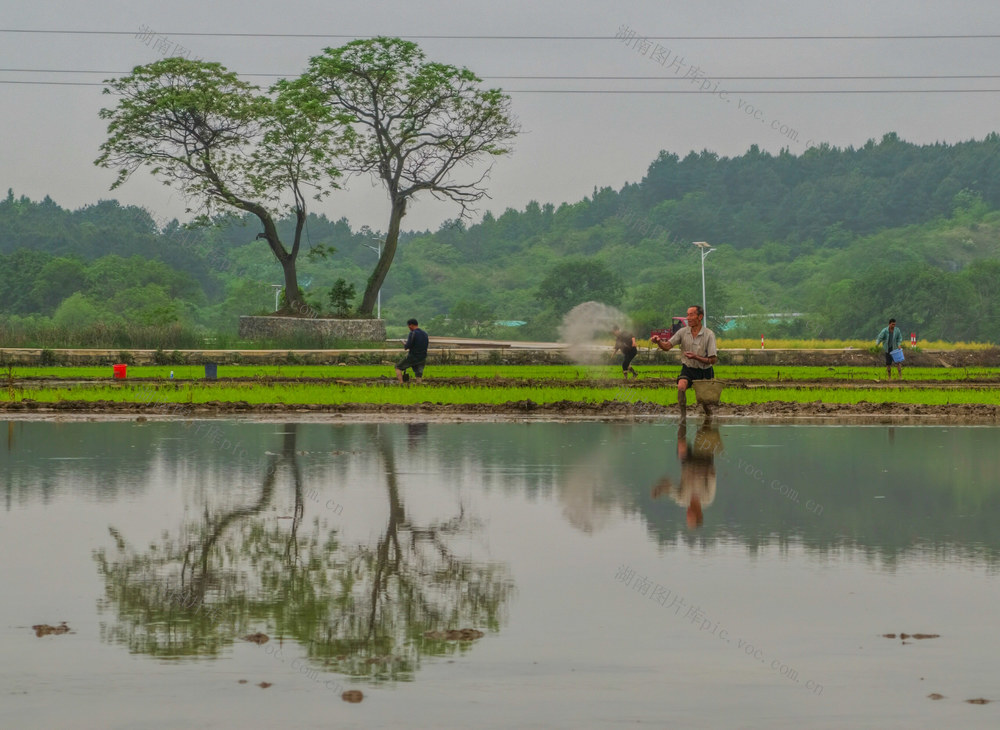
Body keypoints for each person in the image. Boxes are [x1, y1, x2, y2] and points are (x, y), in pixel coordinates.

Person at [650, 305, 718, 420]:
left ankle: (709, 417)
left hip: (705, 370)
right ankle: (683, 417)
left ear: (700, 317)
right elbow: (667, 346)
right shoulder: (682, 332)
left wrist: (696, 357)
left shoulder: (709, 335)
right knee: (681, 387)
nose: (688, 318)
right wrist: (659, 342)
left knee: (704, 402)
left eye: (691, 315)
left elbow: (713, 360)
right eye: (687, 315)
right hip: (688, 368)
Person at [650, 421, 720, 529]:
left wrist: (659, 489)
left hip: (687, 462)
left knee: (681, 446)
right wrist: (702, 472)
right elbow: (712, 474)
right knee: (706, 432)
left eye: (688, 516)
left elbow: (669, 487)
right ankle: (707, 421)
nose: (688, 513)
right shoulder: (707, 498)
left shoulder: (682, 499)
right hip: (704, 460)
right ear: (699, 513)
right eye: (690, 516)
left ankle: (682, 422)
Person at [396, 318, 429, 384]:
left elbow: (407, 346)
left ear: (411, 325)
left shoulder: (413, 333)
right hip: (423, 357)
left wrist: (404, 343)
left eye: (408, 326)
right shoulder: (425, 334)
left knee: (398, 367)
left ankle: (401, 383)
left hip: (413, 356)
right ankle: (418, 384)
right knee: (418, 373)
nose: (408, 327)